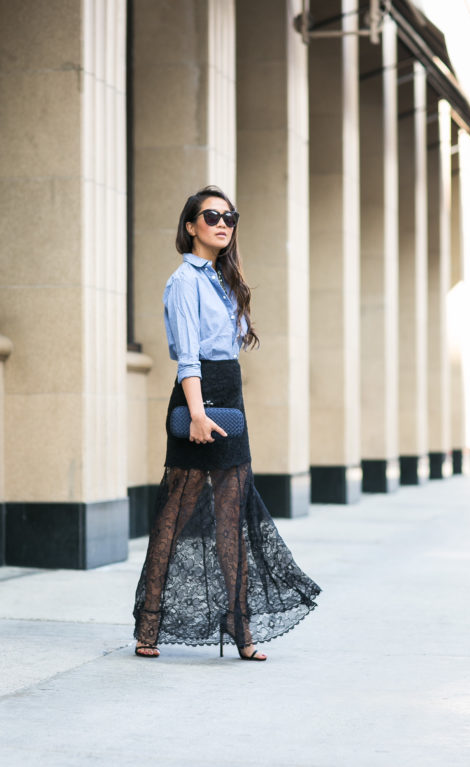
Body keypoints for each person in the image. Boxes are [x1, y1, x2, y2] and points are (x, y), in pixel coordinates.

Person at [132, 185, 321, 661]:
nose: (222, 223)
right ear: (191, 225)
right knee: (175, 517)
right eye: (211, 215)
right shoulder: (184, 281)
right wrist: (196, 413)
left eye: (229, 217)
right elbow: (188, 356)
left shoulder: (224, 278)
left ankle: (242, 630)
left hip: (229, 399)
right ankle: (148, 627)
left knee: (232, 522)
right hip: (201, 398)